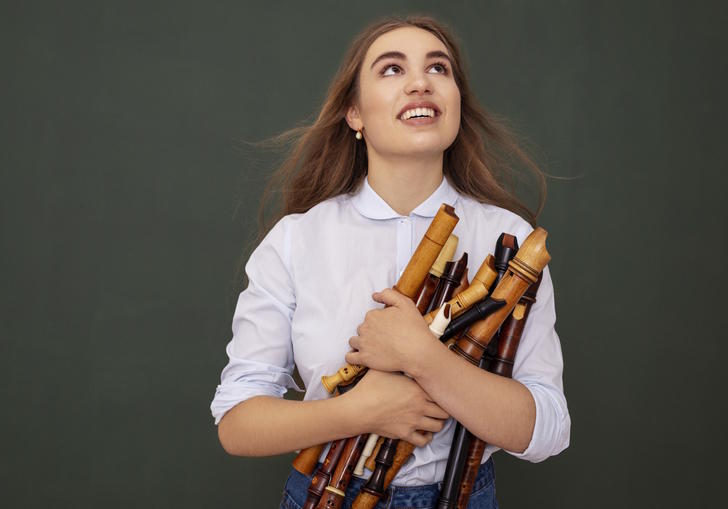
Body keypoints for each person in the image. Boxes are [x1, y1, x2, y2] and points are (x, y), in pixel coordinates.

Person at [211, 15, 570, 509]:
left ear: (457, 103)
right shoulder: (297, 240)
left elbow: (548, 429)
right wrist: (360, 411)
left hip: (460, 496)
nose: (420, 82)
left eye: (438, 68)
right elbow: (236, 422)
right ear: (353, 113)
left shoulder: (508, 241)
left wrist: (423, 357)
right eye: (392, 70)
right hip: (324, 495)